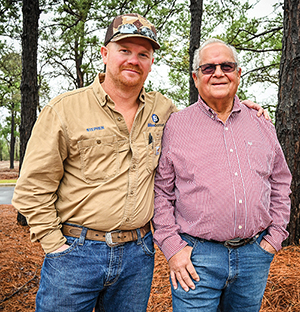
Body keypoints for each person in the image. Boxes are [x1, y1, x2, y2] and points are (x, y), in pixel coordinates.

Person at [12, 13, 266, 312]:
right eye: (124, 51)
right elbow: (32, 188)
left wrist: (242, 107)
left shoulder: (164, 110)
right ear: (105, 53)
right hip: (76, 253)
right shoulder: (65, 110)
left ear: (151, 62)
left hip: (137, 255)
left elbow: (207, 114)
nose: (133, 60)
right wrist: (56, 246)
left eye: (143, 54)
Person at [152, 38, 292, 312]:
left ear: (238, 74)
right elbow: (161, 192)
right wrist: (172, 247)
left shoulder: (261, 123)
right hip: (196, 258)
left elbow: (280, 181)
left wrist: (274, 238)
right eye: (208, 68)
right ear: (195, 78)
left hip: (254, 255)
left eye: (226, 66)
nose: (218, 73)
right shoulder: (176, 126)